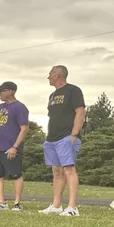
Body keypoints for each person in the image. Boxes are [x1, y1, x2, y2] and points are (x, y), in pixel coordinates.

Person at [40, 65, 86, 217]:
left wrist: (73, 135)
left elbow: (80, 112)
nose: (48, 77)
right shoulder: (52, 96)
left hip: (67, 137)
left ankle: (72, 207)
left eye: (50, 74)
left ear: (58, 75)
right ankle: (56, 205)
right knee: (57, 171)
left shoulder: (73, 90)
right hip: (52, 138)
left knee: (69, 170)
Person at [0, 81, 29, 211]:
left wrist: (14, 147)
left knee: (15, 174)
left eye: (2, 91)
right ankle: (1, 202)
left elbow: (24, 129)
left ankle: (17, 203)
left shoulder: (20, 107)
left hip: (10, 148)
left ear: (11, 92)